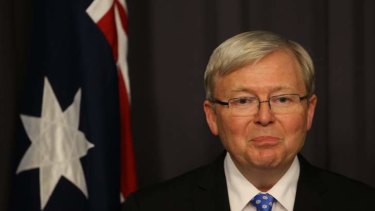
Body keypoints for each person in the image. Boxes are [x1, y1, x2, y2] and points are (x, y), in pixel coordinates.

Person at [123, 31, 375, 211]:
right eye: (243, 101)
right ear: (212, 116)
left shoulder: (363, 204)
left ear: (309, 111)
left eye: (283, 99)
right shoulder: (148, 207)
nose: (264, 118)